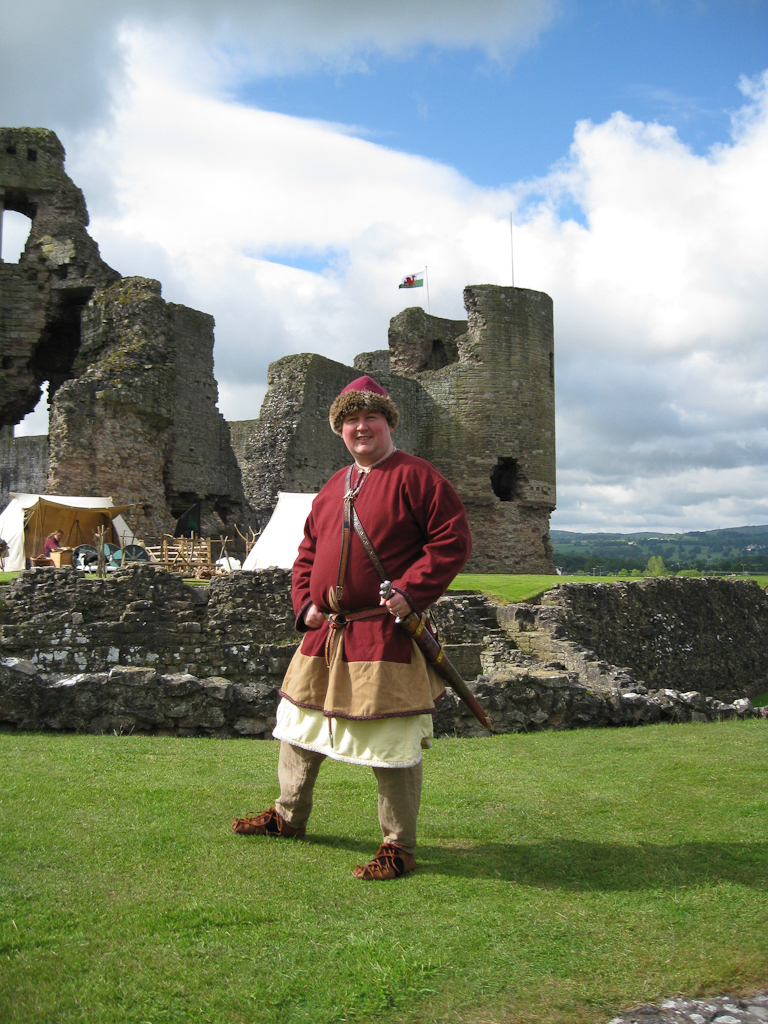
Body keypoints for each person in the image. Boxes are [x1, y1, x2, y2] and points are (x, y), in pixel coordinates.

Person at [233, 375, 472, 880]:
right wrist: (305, 605)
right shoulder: (331, 488)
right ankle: (287, 817)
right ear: (340, 429)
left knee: (391, 740)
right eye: (349, 420)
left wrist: (411, 591)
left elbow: (451, 541)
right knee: (298, 727)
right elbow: (307, 554)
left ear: (388, 423)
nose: (360, 427)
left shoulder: (418, 477)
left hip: (383, 633)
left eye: (370, 417)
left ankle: (397, 847)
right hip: (325, 634)